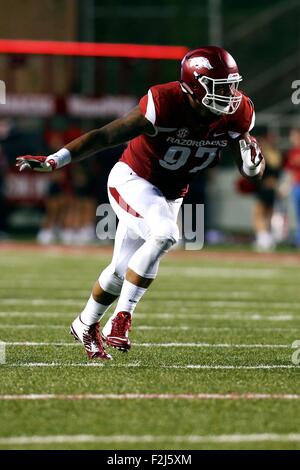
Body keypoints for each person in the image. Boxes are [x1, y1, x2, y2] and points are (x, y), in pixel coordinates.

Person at [16, 46, 265, 360]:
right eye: (220, 87)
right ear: (194, 84)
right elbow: (105, 136)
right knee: (166, 234)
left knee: (121, 271)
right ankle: (121, 320)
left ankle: (85, 323)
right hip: (133, 179)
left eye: (232, 84)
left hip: (171, 193)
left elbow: (249, 167)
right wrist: (55, 160)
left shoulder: (240, 113)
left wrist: (254, 164)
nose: (230, 94)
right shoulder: (164, 104)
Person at [285, 128, 300, 248]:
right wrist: (285, 187)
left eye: (294, 136)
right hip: (296, 186)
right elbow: (290, 172)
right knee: (297, 216)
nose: (292, 139)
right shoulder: (292, 152)